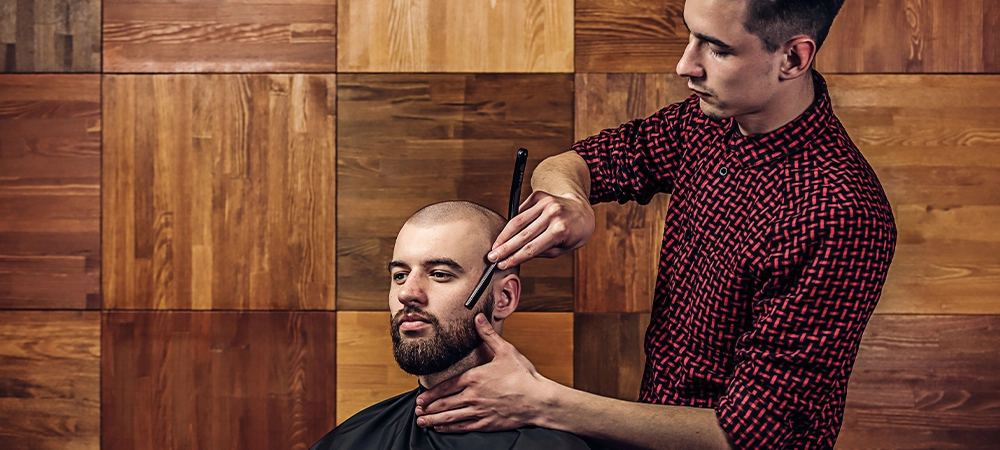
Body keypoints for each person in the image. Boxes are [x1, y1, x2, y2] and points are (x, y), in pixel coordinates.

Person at [412, 0, 897, 449]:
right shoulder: (707, 123)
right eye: (691, 37)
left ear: (792, 58)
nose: (687, 65)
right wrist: (568, 198)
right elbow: (577, 161)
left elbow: (751, 436)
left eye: (718, 49)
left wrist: (541, 402)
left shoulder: (840, 213)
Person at [310, 201, 593, 450]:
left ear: (503, 298)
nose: (406, 293)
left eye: (440, 274)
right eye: (400, 275)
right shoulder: (346, 442)